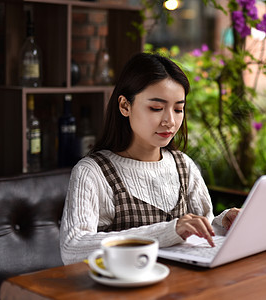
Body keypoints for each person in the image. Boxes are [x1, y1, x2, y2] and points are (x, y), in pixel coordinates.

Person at [60, 52, 240, 265]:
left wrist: (224, 223)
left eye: (178, 109)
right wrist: (168, 231)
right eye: (156, 108)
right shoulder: (93, 172)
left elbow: (202, 231)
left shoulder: (184, 165)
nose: (170, 121)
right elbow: (72, 248)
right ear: (125, 106)